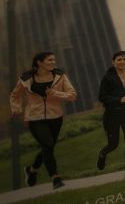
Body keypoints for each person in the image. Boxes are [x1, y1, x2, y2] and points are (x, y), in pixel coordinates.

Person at [10, 52, 77, 189]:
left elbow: (72, 95)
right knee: (47, 144)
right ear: (39, 63)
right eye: (50, 60)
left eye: (54, 60)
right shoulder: (26, 78)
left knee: (49, 146)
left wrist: (56, 93)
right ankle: (56, 179)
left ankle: (32, 170)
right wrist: (16, 109)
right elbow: (14, 95)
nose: (53, 62)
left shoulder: (60, 76)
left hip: (56, 117)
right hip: (35, 117)